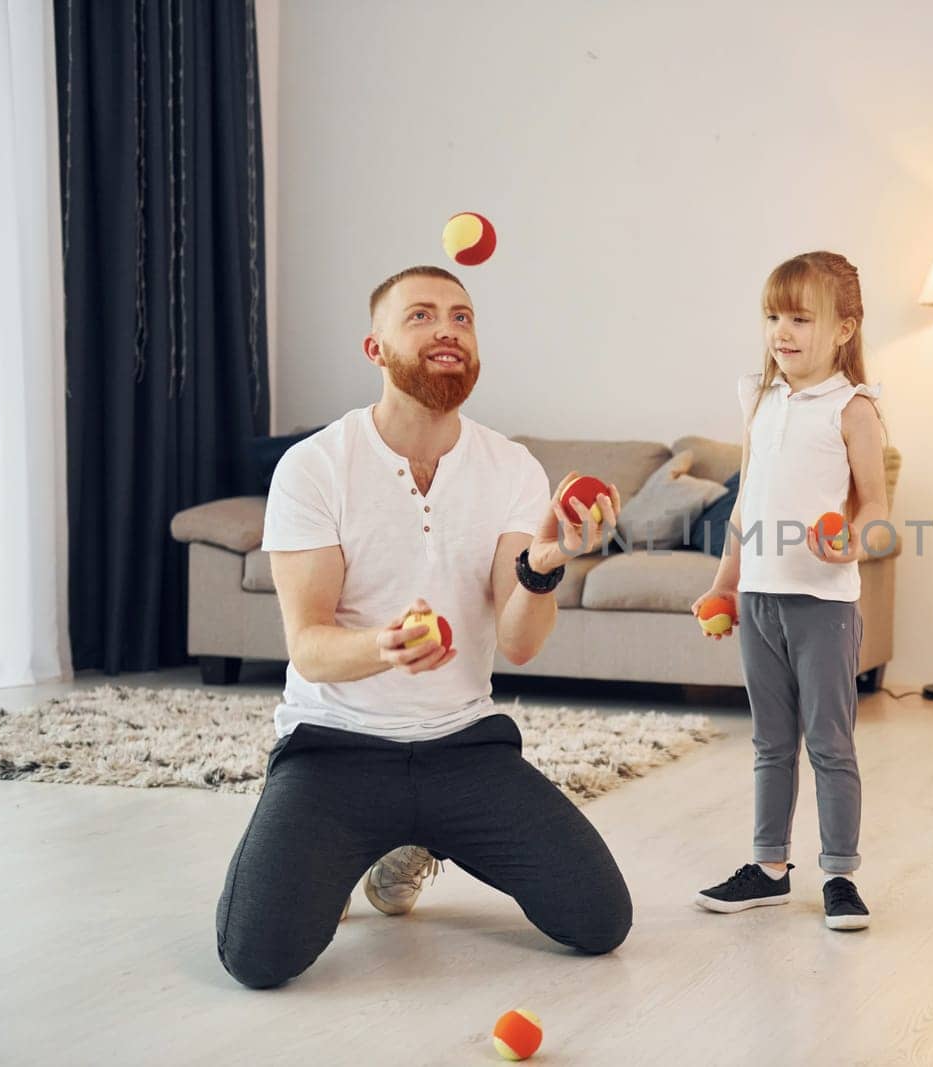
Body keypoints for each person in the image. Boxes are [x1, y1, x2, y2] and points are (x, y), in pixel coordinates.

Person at [215, 265, 632, 989]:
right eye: (422, 315)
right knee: (257, 956)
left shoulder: (510, 467)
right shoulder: (315, 467)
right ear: (374, 349)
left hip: (462, 750)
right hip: (335, 750)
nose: (448, 327)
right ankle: (344, 845)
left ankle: (411, 840)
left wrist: (545, 563)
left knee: (601, 920)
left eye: (462, 317)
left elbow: (520, 641)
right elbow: (310, 647)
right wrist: (384, 646)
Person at [691, 251, 889, 931]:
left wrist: (850, 539)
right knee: (770, 741)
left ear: (844, 328)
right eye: (774, 315)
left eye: (801, 317)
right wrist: (724, 583)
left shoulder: (854, 407)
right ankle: (769, 867)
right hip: (759, 601)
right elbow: (746, 504)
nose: (783, 329)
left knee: (829, 741)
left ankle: (839, 873)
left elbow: (877, 508)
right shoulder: (761, 399)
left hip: (823, 604)